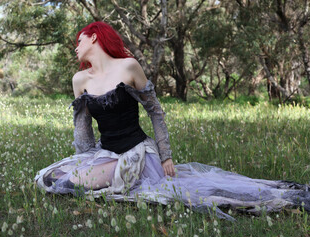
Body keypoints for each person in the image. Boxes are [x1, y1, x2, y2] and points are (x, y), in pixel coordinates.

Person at [35, 22, 309, 220]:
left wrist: (166, 156)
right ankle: (102, 177)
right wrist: (86, 159)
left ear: (94, 37)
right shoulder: (80, 80)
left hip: (136, 154)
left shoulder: (128, 67)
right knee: (51, 179)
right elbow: (82, 128)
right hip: (106, 153)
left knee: (70, 184)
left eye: (79, 41)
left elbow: (155, 111)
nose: (75, 47)